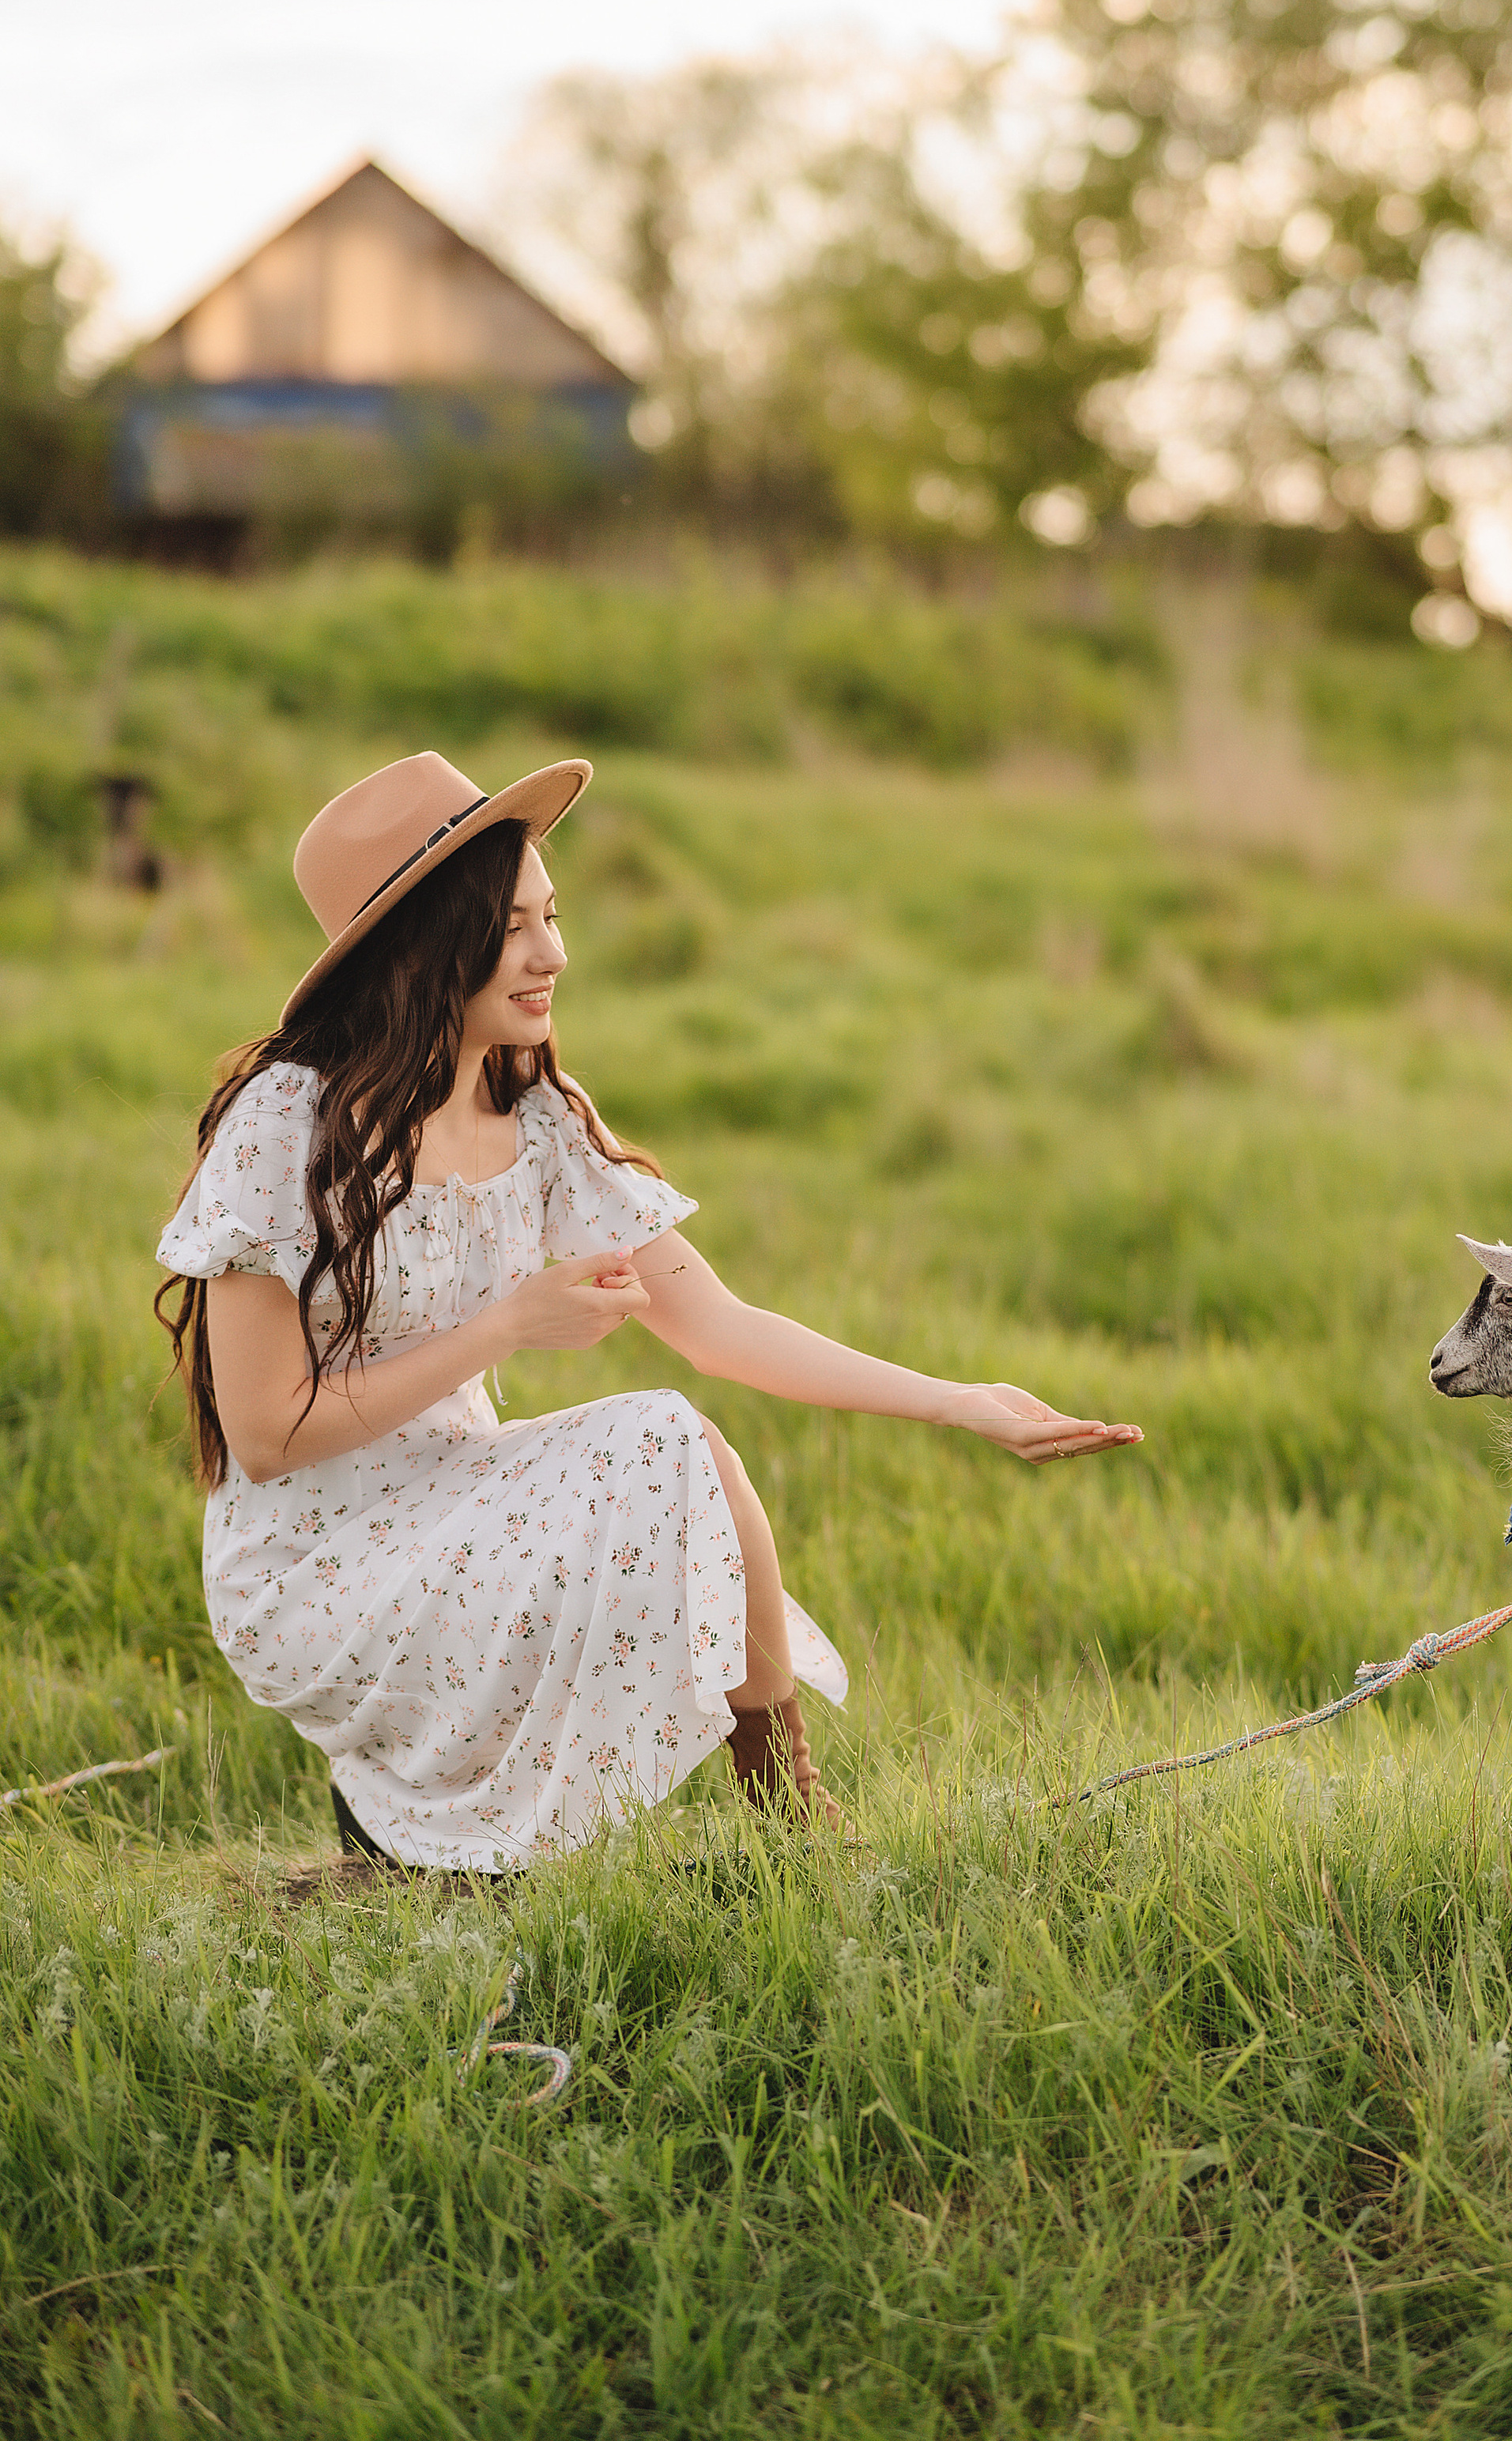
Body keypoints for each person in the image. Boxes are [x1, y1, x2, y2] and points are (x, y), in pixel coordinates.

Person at [156, 751, 1141, 1871]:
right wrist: (505, 1327)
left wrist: (964, 1404)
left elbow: (720, 1325)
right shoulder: (285, 1124)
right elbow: (269, 1435)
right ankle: (495, 1825)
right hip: (313, 1563)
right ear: (424, 946)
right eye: (514, 925)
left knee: (684, 1447)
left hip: (458, 1503)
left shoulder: (532, 1113)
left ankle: (790, 1819)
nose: (553, 953)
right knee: (659, 1436)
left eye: (552, 914)